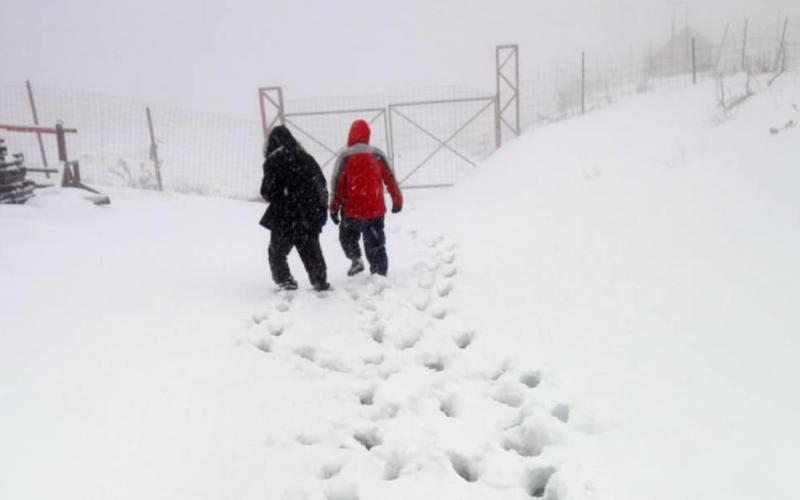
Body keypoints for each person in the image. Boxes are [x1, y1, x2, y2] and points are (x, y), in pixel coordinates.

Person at [259, 125, 330, 291]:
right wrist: (320, 209)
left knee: (277, 252)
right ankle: (319, 281)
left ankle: (285, 280)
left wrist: (282, 195)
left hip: (284, 216)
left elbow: (267, 191)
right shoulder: (307, 158)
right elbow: (321, 184)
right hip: (308, 214)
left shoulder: (272, 161)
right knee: (312, 252)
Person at [330, 119, 403, 277]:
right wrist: (397, 200)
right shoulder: (377, 154)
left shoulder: (345, 156)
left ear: (350, 135)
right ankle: (379, 273)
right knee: (376, 243)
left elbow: (337, 186)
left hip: (352, 211)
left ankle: (355, 259)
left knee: (347, 236)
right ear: (367, 135)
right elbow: (390, 178)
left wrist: (334, 209)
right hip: (374, 209)